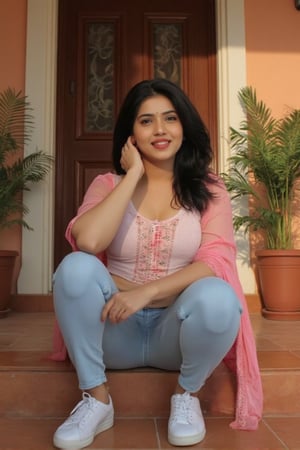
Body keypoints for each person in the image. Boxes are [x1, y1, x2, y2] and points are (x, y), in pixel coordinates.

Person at [51, 78, 263, 449]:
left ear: (185, 126)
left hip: (176, 338)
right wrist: (132, 175)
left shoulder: (209, 191)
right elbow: (87, 241)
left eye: (170, 118)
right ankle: (96, 400)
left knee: (220, 296)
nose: (160, 130)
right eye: (146, 121)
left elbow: (216, 261)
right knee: (74, 268)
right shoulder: (107, 184)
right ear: (130, 134)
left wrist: (144, 292)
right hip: (113, 332)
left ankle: (185, 396)